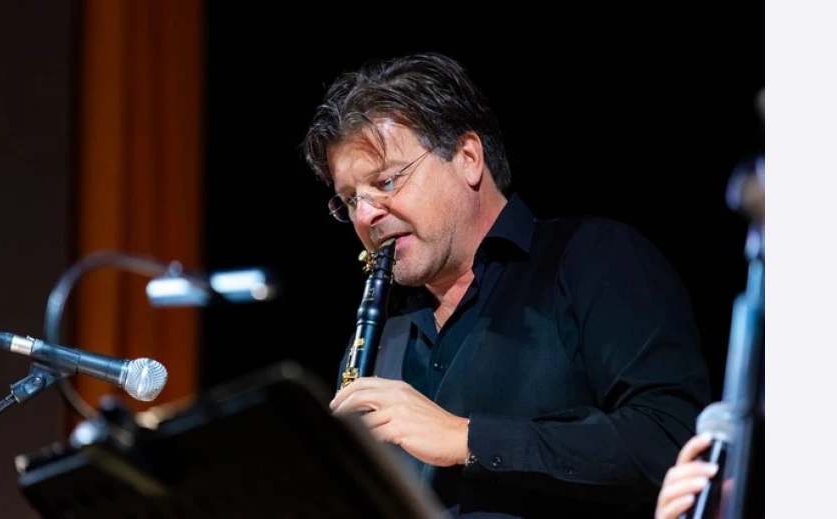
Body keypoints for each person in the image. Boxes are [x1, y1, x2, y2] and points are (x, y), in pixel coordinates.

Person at [301, 51, 712, 518]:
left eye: (386, 182)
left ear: (468, 158)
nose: (365, 216)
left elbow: (671, 436)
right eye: (349, 200)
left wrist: (467, 438)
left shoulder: (594, 259)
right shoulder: (377, 343)